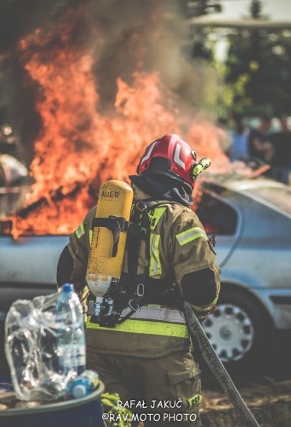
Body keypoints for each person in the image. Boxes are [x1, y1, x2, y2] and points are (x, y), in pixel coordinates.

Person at [56, 134, 220, 426]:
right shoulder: (180, 220)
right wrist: (195, 315)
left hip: (101, 353)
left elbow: (65, 270)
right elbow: (201, 287)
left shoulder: (102, 215)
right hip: (162, 358)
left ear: (144, 170)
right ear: (184, 175)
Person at [269, 115, 291, 185]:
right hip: (276, 163)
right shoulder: (276, 136)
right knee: (274, 184)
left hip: (288, 164)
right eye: (282, 122)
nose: (283, 124)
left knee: (285, 185)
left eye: (285, 122)